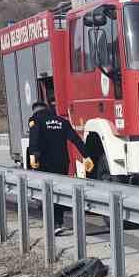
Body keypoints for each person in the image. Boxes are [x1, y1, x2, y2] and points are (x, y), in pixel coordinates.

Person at [26, 90, 91, 229]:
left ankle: (53, 224)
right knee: (59, 191)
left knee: (47, 191)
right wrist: (86, 156)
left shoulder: (35, 120)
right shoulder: (62, 121)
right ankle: (59, 222)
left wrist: (33, 156)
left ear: (35, 111)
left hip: (44, 162)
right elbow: (76, 139)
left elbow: (34, 138)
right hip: (62, 162)